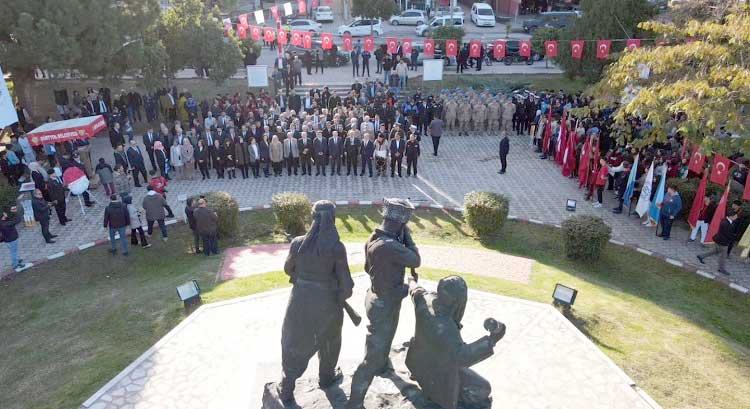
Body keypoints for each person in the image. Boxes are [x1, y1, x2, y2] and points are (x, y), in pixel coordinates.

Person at [270, 200, 353, 404]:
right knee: (330, 340)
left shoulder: (298, 243)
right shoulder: (336, 247)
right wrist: (337, 289)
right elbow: (347, 286)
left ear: (313, 217)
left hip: (299, 301)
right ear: (332, 219)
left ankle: (287, 386)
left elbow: (288, 269)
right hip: (328, 305)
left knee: (294, 340)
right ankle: (326, 377)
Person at [348, 198, 420, 408]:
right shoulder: (391, 246)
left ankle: (382, 365)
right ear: (400, 224)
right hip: (385, 304)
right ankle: (354, 402)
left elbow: (366, 268)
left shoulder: (373, 237)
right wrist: (407, 236)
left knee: (380, 340)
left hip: (375, 297)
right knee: (372, 356)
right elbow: (416, 260)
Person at [405, 275, 505, 409]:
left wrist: (411, 279)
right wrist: (491, 340)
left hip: (417, 363)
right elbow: (462, 357)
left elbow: (415, 290)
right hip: (436, 376)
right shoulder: (446, 328)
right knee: (483, 388)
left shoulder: (425, 299)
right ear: (457, 301)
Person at [697, 210, 738, 276]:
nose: (736, 217)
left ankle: (701, 256)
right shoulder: (726, 223)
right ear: (731, 216)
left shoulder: (726, 221)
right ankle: (721, 269)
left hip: (719, 240)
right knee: (723, 256)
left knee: (714, 251)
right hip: (723, 242)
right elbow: (727, 234)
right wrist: (733, 238)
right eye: (735, 216)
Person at [0, 204, 30, 271]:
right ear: (3, 216)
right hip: (11, 239)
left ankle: (16, 260)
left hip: (7, 239)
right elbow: (18, 220)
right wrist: (15, 212)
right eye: (4, 214)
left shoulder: (2, 222)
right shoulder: (6, 224)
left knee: (13, 251)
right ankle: (15, 264)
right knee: (14, 251)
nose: (5, 214)